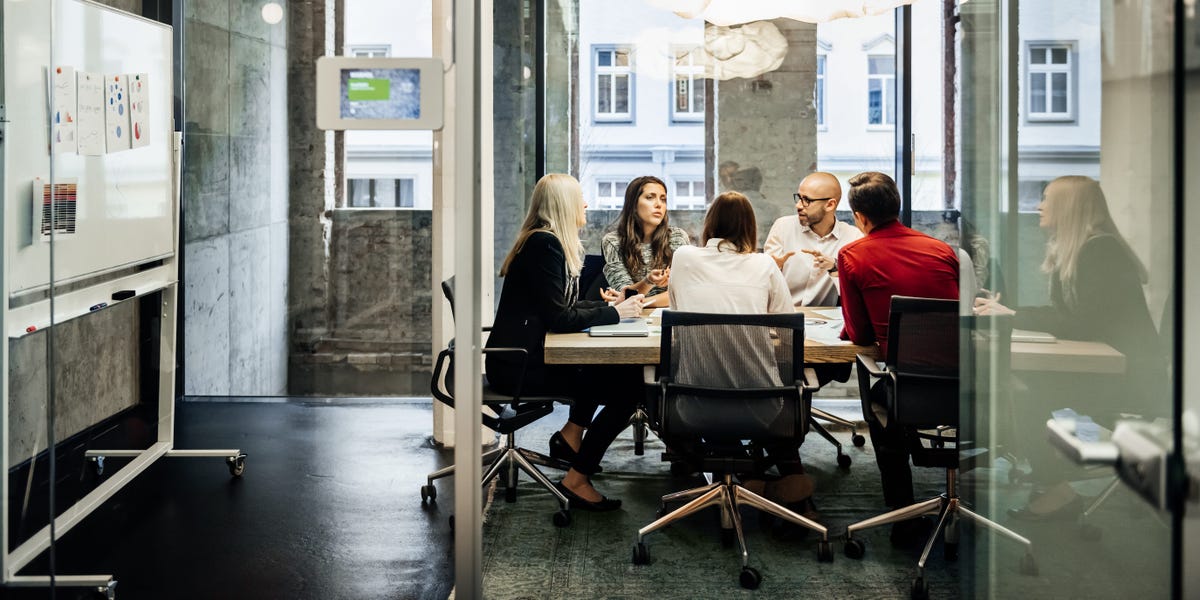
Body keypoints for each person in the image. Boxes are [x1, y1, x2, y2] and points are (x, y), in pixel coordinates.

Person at [974, 175, 1164, 519]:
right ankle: (1047, 469)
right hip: (1109, 368)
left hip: (1132, 378)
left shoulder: (1101, 252)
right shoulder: (1080, 250)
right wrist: (1009, 313)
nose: (1039, 206)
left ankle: (1058, 490)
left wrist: (1012, 315)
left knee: (1025, 392)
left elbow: (1083, 324)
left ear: (1069, 207)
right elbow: (1067, 317)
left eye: (1047, 199)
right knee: (1021, 386)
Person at [487, 173, 646, 512]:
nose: (585, 204)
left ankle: (573, 441)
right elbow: (560, 319)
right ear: (563, 205)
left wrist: (609, 307)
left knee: (615, 377)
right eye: (580, 198)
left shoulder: (542, 241)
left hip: (523, 358)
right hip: (520, 367)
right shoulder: (544, 245)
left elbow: (561, 308)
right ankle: (577, 477)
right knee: (629, 387)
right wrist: (616, 315)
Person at [668, 191, 815, 510]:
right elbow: (786, 329)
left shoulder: (683, 257)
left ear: (709, 224)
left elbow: (679, 311)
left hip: (692, 406)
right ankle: (769, 480)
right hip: (762, 408)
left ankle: (730, 476)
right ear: (750, 228)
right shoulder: (764, 264)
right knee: (777, 383)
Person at [836, 171, 959, 543]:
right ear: (898, 206)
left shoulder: (853, 254)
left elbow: (860, 335)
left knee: (876, 395)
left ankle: (903, 513)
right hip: (964, 386)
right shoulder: (942, 250)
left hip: (908, 390)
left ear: (859, 217)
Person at [764, 171, 864, 308]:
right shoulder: (783, 227)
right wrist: (771, 268)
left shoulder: (853, 237)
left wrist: (835, 267)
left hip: (827, 321)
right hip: (785, 316)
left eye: (807, 200)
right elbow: (763, 288)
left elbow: (856, 295)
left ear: (830, 205)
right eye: (799, 198)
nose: (798, 205)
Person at [600, 176, 691, 308]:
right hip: (631, 319)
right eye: (650, 197)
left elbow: (683, 292)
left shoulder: (678, 237)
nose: (659, 204)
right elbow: (626, 293)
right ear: (634, 204)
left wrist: (639, 302)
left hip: (667, 317)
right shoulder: (613, 242)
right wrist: (648, 281)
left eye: (663, 199)